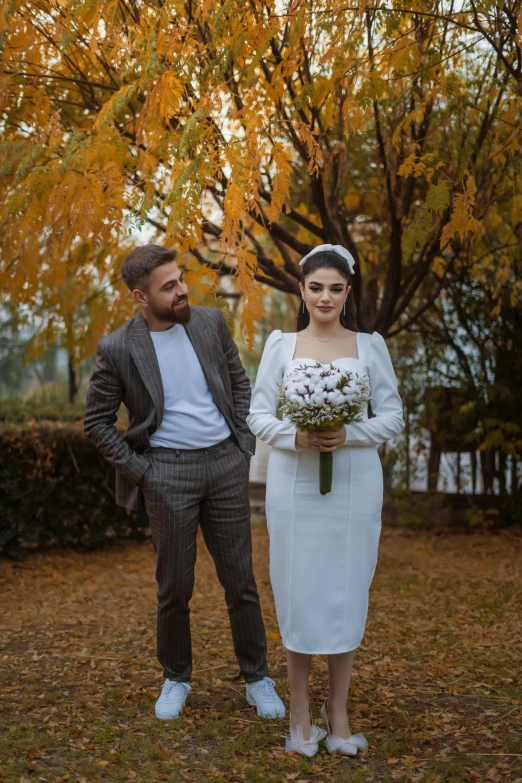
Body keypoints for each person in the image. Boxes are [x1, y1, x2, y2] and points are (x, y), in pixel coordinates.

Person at [84, 244, 284, 721]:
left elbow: (239, 383)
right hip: (166, 473)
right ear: (140, 297)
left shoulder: (210, 322)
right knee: (175, 586)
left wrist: (243, 447)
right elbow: (96, 422)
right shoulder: (118, 348)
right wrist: (144, 473)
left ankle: (258, 678)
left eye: (179, 279)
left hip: (226, 465)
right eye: (168, 286)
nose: (181, 290)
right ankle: (176, 678)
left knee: (241, 581)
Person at [247, 244, 404, 756]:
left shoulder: (368, 346)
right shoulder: (281, 346)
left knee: (344, 593)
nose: (325, 297)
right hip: (294, 487)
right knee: (298, 593)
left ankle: (337, 715)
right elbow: (258, 415)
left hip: (354, 488)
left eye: (336, 288)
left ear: (348, 292)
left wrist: (349, 433)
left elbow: (393, 417)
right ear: (302, 290)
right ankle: (298, 716)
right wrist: (298, 436)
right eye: (316, 287)